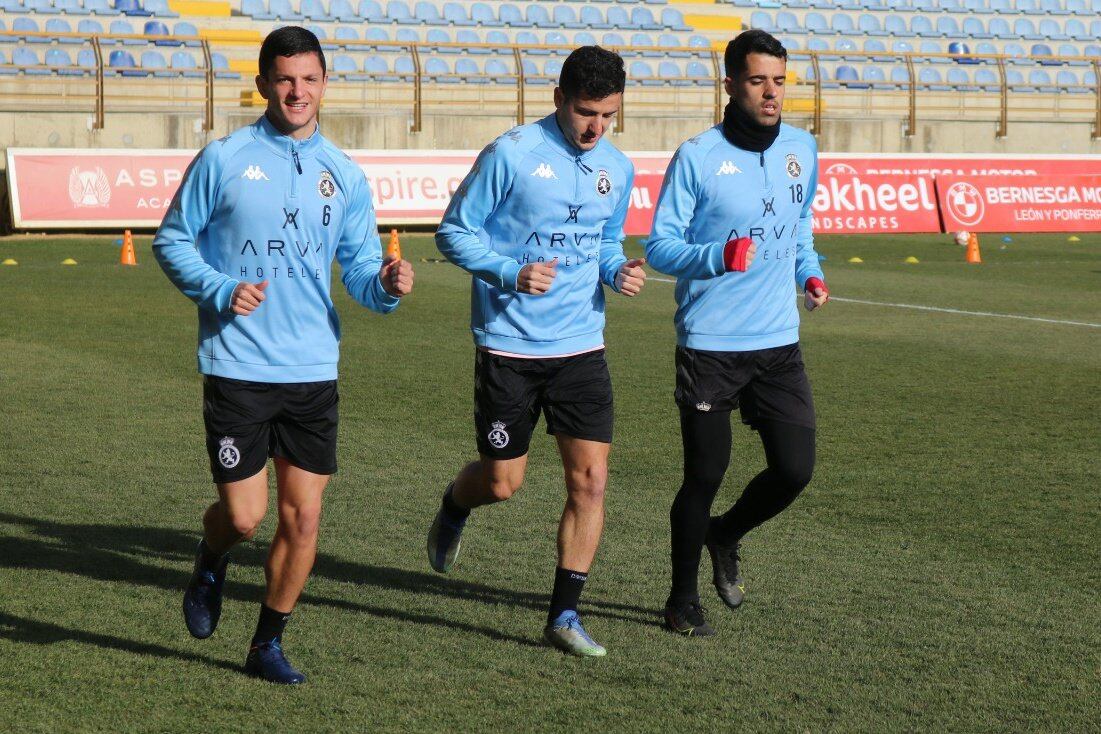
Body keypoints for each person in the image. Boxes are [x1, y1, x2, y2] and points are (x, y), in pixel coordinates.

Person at [153, 26, 414, 683]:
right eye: (285, 78)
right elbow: (172, 240)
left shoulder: (344, 173)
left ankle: (266, 643)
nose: (297, 91)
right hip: (238, 364)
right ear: (265, 83)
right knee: (245, 518)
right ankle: (211, 553)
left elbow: (356, 268)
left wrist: (382, 286)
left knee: (304, 520)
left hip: (312, 370)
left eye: (309, 79)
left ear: (324, 83)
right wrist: (219, 288)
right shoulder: (224, 158)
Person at [426, 46, 646, 657]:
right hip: (509, 346)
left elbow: (605, 241)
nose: (595, 127)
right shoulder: (511, 155)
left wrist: (616, 271)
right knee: (502, 483)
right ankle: (453, 504)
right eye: (585, 113)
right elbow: (452, 232)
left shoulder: (617, 167)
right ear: (558, 99)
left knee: (592, 483)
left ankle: (564, 616)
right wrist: (509, 271)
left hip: (582, 346)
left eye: (608, 115)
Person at [644, 29, 829, 637]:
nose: (771, 92)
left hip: (778, 342)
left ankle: (727, 533)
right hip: (711, 345)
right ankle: (681, 597)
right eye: (757, 81)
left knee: (795, 470)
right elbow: (662, 248)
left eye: (779, 80)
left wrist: (811, 273)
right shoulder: (697, 156)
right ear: (731, 85)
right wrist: (720, 256)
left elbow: (800, 230)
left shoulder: (803, 147)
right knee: (705, 474)